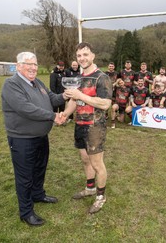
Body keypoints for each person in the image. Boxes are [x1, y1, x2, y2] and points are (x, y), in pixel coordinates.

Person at [1, 52, 67, 226]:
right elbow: (25, 108)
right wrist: (53, 116)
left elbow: (51, 97)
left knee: (39, 168)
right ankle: (26, 212)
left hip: (40, 136)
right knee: (25, 176)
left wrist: (65, 96)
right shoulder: (11, 84)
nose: (33, 68)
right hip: (22, 139)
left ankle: (38, 194)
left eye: (35, 64)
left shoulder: (37, 82)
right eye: (28, 64)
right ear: (18, 66)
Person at [61, 42, 112, 214]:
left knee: (97, 164)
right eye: (79, 56)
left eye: (85, 54)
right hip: (79, 125)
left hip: (95, 127)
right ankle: (90, 188)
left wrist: (80, 95)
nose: (82, 58)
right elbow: (73, 102)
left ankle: (101, 196)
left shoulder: (101, 77)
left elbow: (105, 104)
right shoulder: (78, 79)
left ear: (92, 56)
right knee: (84, 159)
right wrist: (65, 115)